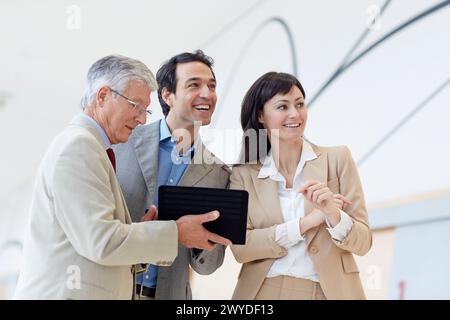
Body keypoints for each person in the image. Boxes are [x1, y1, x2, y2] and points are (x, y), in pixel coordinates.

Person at [13, 54, 230, 300]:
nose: (141, 118)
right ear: (103, 96)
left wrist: (144, 232)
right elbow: (102, 241)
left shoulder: (218, 171)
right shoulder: (81, 146)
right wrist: (175, 232)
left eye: (144, 109)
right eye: (134, 105)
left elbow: (101, 236)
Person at [230, 72, 372, 300]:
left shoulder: (338, 159)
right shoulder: (243, 175)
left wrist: (333, 215)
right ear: (260, 115)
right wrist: (306, 223)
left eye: (300, 104)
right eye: (282, 106)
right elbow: (241, 248)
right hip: (261, 293)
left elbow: (364, 242)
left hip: (327, 292)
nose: (295, 114)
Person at [113, 50, 231, 300]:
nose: (207, 94)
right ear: (167, 95)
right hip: (113, 290)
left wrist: (206, 240)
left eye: (211, 86)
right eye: (194, 85)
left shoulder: (218, 173)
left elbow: (207, 267)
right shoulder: (122, 143)